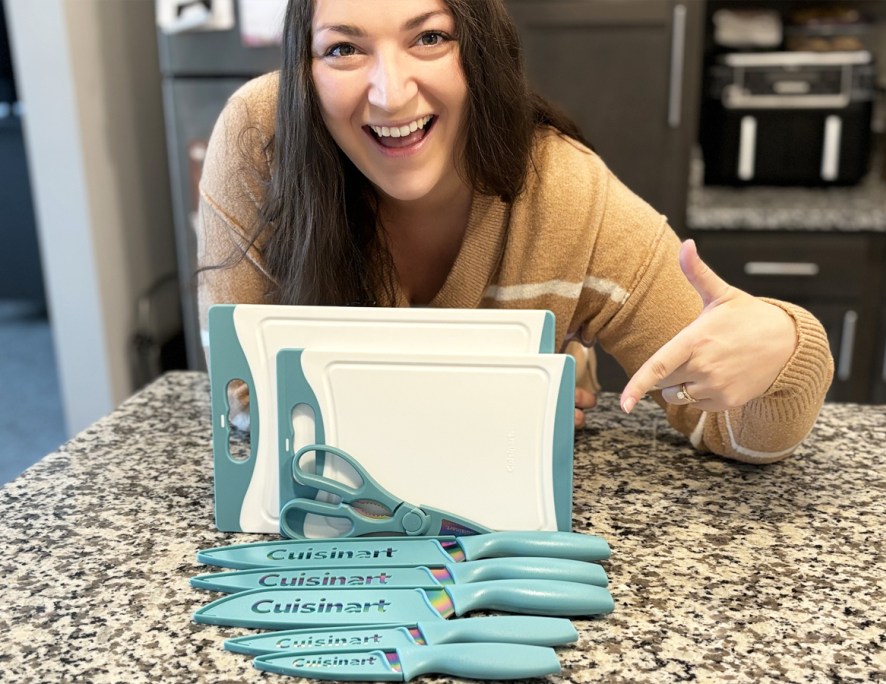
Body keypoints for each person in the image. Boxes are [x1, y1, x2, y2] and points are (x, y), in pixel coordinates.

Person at [197, 0, 834, 463]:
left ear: (481, 48)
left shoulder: (566, 192)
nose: (390, 94)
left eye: (430, 38)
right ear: (302, 69)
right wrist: (513, 386)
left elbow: (736, 433)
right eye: (343, 48)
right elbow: (243, 409)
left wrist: (783, 351)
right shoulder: (263, 138)